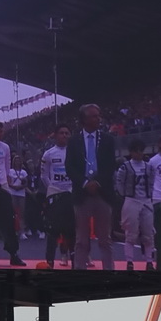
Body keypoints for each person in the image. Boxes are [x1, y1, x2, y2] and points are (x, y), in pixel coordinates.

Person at [66, 104, 117, 270]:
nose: (98, 119)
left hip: (103, 193)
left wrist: (98, 182)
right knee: (81, 239)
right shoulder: (74, 141)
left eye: (98, 115)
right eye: (94, 116)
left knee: (105, 239)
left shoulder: (108, 139)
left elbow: (110, 165)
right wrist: (84, 183)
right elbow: (70, 166)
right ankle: (80, 270)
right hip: (82, 194)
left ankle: (109, 270)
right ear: (84, 119)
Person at [0, 121, 25, 266]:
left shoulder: (5, 147)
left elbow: (7, 165)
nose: (2, 133)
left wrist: (6, 180)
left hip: (2, 186)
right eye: (0, 131)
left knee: (9, 221)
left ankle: (13, 253)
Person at [115, 139, 155, 270]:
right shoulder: (124, 167)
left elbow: (153, 183)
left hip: (146, 200)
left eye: (141, 150)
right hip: (132, 200)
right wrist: (125, 195)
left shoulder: (149, 167)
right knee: (130, 234)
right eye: (137, 151)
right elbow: (119, 184)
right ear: (132, 152)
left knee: (148, 233)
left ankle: (149, 261)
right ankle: (129, 261)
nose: (139, 153)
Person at [39, 123, 76, 268]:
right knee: (52, 229)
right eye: (62, 133)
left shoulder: (75, 152)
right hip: (54, 193)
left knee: (71, 230)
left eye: (67, 133)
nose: (64, 135)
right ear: (55, 135)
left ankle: (75, 261)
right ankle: (49, 261)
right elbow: (43, 175)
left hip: (70, 193)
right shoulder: (48, 154)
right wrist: (52, 188)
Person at [147, 134, 161, 262]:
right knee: (158, 229)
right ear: (160, 144)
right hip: (157, 197)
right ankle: (158, 253)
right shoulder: (153, 161)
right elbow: (149, 180)